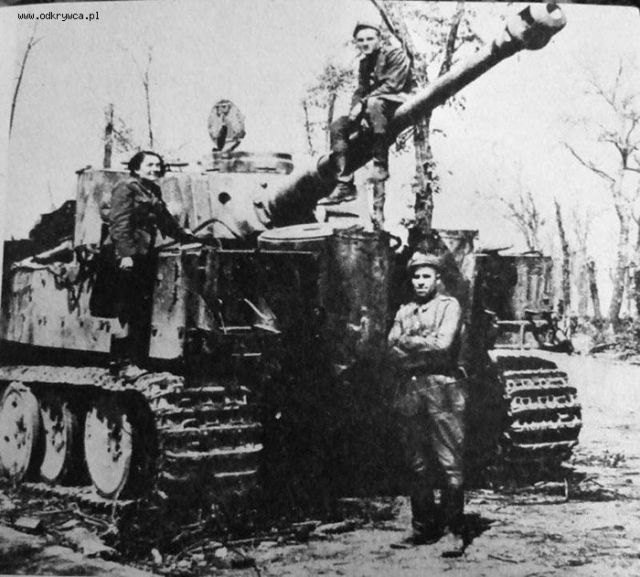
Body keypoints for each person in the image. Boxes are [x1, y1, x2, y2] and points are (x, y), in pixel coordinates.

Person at [387, 251, 466, 557]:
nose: (420, 282)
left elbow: (443, 346)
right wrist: (422, 343)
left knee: (450, 462)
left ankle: (454, 531)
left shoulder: (449, 306)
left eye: (426, 276)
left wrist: (408, 341)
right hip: (410, 389)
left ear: (437, 279)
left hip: (442, 389)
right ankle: (422, 528)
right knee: (416, 463)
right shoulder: (405, 310)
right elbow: (390, 348)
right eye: (416, 277)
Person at [104, 150, 195, 370]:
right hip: (126, 255)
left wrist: (182, 234)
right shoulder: (125, 187)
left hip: (144, 254)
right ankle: (122, 361)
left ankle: (139, 360)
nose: (155, 169)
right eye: (149, 165)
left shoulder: (152, 190)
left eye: (158, 165)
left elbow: (164, 220)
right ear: (136, 168)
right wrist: (126, 255)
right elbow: (120, 223)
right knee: (127, 307)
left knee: (142, 308)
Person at [322, 20, 414, 205]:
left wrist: (363, 105)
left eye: (370, 39)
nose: (365, 43)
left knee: (373, 103)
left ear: (379, 39)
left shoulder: (395, 54)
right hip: (372, 106)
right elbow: (361, 90)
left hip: (396, 100)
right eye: (361, 40)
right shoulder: (364, 63)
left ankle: (381, 165)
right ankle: (344, 183)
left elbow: (393, 85)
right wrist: (356, 112)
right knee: (338, 126)